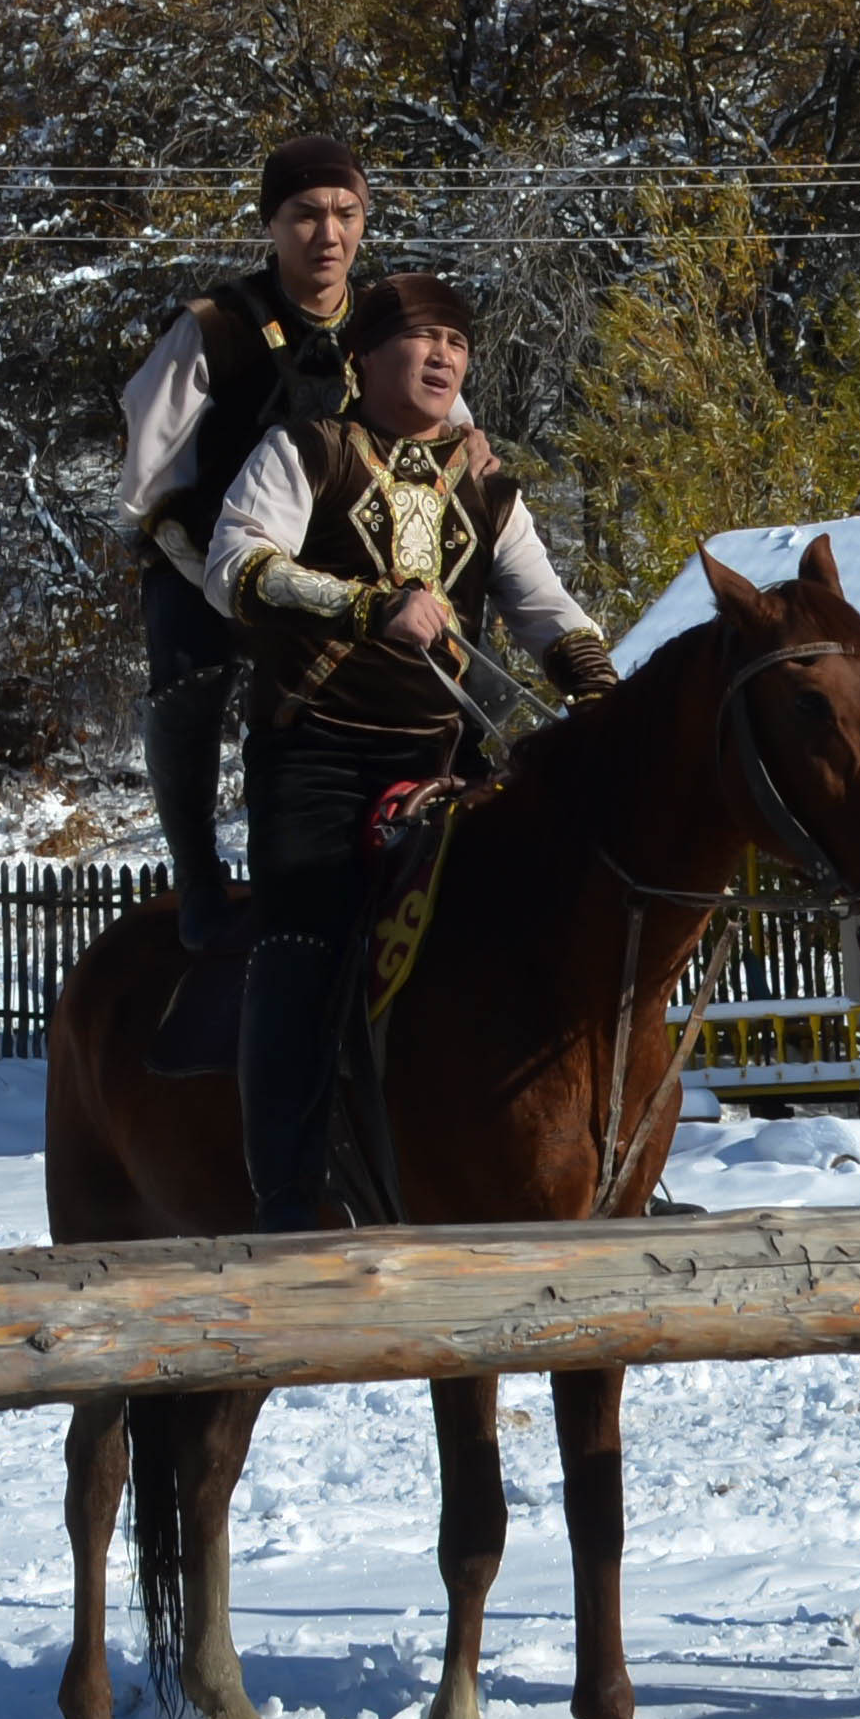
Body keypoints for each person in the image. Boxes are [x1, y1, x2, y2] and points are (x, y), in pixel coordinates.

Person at [205, 271, 617, 1231]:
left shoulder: (487, 483)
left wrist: (602, 696)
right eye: (421, 339)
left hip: (443, 763)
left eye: (457, 344)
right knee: (305, 942)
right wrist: (365, 604)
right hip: (313, 756)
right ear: (364, 358)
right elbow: (237, 565)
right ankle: (288, 1193)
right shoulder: (305, 452)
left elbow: (545, 607)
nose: (442, 357)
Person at [110, 135, 385, 943]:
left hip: (337, 569)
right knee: (192, 678)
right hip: (203, 557)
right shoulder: (214, 326)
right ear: (271, 223)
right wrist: (207, 564)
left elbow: (441, 429)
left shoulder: (387, 326)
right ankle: (197, 874)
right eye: (305, 215)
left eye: (345, 214)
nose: (327, 235)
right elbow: (147, 472)